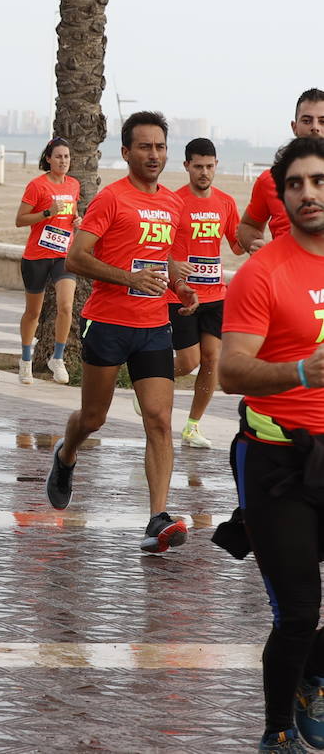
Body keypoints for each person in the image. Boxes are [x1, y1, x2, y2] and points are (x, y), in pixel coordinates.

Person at [43, 111, 198, 555]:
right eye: (145, 147)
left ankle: (157, 518)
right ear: (126, 152)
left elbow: (164, 261)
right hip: (108, 324)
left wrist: (181, 289)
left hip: (153, 327)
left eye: (161, 147)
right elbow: (75, 258)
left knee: (161, 421)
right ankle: (66, 454)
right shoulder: (111, 199)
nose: (154, 155)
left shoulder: (173, 203)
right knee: (94, 418)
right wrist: (128, 279)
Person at [219, 135, 324, 753]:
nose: (308, 193)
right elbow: (232, 371)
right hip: (276, 460)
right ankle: (277, 731)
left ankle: (313, 671)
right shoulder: (264, 272)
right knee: (297, 611)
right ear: (281, 195)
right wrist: (303, 372)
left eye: (318, 181)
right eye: (295, 185)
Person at [166, 137, 242, 448]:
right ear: (186, 166)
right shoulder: (173, 201)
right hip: (181, 295)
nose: (204, 172)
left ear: (216, 166)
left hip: (216, 295)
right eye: (198, 166)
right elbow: (158, 247)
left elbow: (238, 243)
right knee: (187, 361)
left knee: (212, 360)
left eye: (209, 166)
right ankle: (149, 383)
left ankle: (192, 426)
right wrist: (173, 265)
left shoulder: (225, 202)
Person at [16, 137, 82, 384]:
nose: (63, 161)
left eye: (66, 157)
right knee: (33, 312)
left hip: (63, 254)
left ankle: (57, 357)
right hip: (36, 256)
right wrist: (46, 213)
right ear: (48, 159)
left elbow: (72, 213)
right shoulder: (37, 186)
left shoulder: (74, 185)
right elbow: (20, 219)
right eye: (58, 156)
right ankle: (25, 360)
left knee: (66, 306)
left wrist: (78, 220)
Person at [239, 89, 324, 254]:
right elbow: (247, 226)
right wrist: (255, 245)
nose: (315, 128)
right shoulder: (269, 179)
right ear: (294, 127)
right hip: (285, 275)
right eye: (307, 120)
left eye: (322, 121)